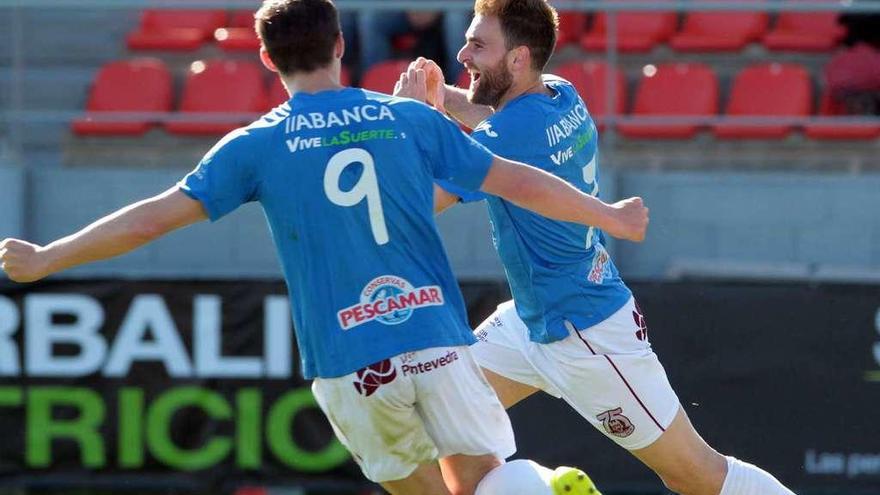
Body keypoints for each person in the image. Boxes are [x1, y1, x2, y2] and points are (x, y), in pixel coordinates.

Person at [0, 1, 648, 494]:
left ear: (265, 58)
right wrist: (607, 214)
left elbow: (150, 220)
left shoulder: (255, 144)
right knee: (485, 477)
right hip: (436, 339)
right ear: (341, 45)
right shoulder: (406, 116)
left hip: (351, 362)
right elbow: (516, 178)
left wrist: (48, 256)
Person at [393, 1, 798, 494]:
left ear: (518, 58)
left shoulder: (505, 136)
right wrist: (447, 103)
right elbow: (498, 125)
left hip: (586, 334)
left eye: (478, 45)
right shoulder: (560, 93)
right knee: (440, 416)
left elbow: (415, 202)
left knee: (695, 474)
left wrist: (414, 117)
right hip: (530, 321)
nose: (463, 53)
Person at [357, 1, 470, 82]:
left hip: (455, 6)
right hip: (407, 8)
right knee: (371, 18)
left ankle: (460, 89)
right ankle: (377, 86)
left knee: (455, 19)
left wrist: (435, 7)